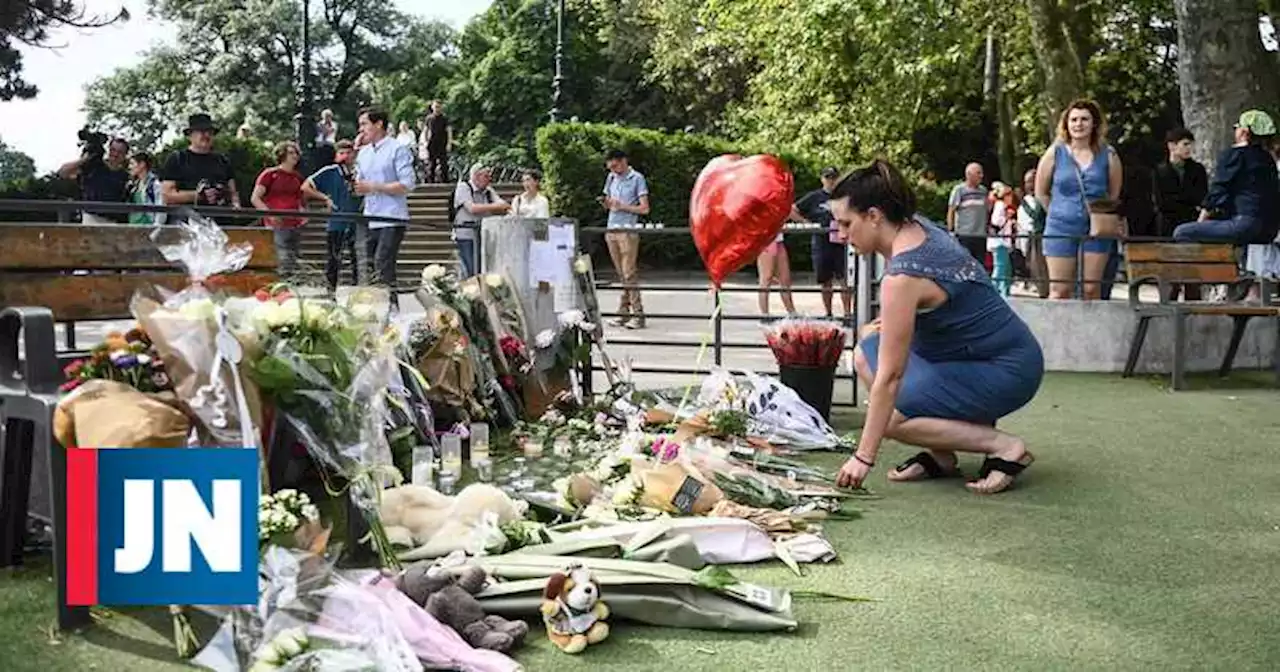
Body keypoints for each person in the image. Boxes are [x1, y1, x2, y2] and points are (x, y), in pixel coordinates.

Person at [830, 160, 1043, 496]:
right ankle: (942, 456)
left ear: (873, 216)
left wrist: (863, 457)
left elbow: (891, 377)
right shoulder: (917, 227)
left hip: (1006, 370)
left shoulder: (902, 276)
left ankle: (1004, 446)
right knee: (865, 352)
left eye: (845, 223)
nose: (840, 235)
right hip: (984, 354)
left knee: (893, 419)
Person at [1035, 99, 1123, 300]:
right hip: (1060, 226)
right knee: (1059, 291)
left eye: (1084, 119)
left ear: (1094, 124)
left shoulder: (1109, 154)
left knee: (1091, 290)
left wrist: (1099, 214)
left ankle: (1090, 331)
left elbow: (1113, 194)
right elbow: (1041, 192)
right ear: (1066, 124)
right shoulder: (1054, 153)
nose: (1078, 124)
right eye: (1073, 119)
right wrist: (1058, 212)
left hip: (1097, 228)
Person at [1173, 110, 1279, 246]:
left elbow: (1218, 190)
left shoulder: (1235, 155)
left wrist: (1201, 220)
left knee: (1182, 232)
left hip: (1244, 225)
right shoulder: (1268, 159)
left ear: (1243, 132)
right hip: (1269, 230)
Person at [355, 105, 417, 308]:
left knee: (383, 263)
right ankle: (378, 308)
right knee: (370, 265)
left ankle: (389, 310)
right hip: (370, 215)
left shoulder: (397, 148)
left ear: (379, 123)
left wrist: (373, 186)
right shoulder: (363, 153)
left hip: (392, 216)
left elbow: (407, 184)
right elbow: (359, 184)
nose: (361, 129)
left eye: (365, 124)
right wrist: (358, 186)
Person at [252, 141, 327, 280]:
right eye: (291, 152)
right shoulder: (269, 174)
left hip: (294, 223)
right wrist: (269, 214)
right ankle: (280, 284)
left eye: (296, 153)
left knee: (293, 256)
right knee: (282, 255)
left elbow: (300, 200)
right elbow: (255, 198)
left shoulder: (297, 177)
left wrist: (304, 213)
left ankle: (291, 285)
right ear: (282, 155)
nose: (295, 156)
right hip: (276, 222)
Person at [793, 167, 852, 321]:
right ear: (822, 179)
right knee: (825, 279)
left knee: (844, 278)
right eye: (828, 177)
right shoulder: (814, 197)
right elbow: (793, 209)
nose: (831, 180)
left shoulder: (844, 196)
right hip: (822, 241)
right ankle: (828, 313)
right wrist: (807, 223)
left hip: (841, 240)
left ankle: (847, 312)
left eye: (833, 177)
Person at [602, 148, 651, 329]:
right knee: (622, 274)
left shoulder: (637, 178)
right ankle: (624, 312)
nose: (613, 170)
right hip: (611, 228)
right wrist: (607, 203)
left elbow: (644, 209)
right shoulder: (611, 178)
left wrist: (622, 206)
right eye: (610, 167)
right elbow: (609, 202)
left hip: (628, 230)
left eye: (615, 166)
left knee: (629, 273)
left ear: (623, 161)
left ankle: (638, 314)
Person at [305, 140, 362, 292]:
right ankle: (330, 291)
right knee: (334, 258)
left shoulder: (361, 171)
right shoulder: (330, 171)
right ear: (336, 156)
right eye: (341, 153)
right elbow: (305, 186)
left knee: (358, 259)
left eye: (348, 153)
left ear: (354, 154)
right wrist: (325, 198)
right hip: (336, 221)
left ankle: (357, 290)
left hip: (358, 220)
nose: (345, 156)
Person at [159, 113, 240, 215]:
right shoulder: (177, 159)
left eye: (209, 132)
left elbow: (233, 194)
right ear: (190, 136)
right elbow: (167, 196)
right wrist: (199, 195)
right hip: (186, 223)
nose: (206, 135)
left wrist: (234, 205)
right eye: (201, 131)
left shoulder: (223, 161)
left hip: (220, 223)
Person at [453, 163, 510, 277]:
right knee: (471, 268)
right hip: (466, 235)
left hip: (485, 235)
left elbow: (503, 204)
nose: (489, 179)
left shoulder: (488, 191)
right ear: (476, 176)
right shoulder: (463, 187)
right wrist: (495, 207)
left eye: (489, 176)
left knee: (483, 268)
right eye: (486, 176)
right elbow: (472, 208)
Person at [59, 136, 129, 223]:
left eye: (120, 152)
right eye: (113, 150)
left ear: (125, 154)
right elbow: (63, 172)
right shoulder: (94, 166)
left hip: (114, 221)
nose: (115, 154)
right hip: (91, 217)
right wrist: (86, 158)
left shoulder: (126, 176)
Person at [947, 162, 991, 265]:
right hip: (964, 235)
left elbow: (986, 210)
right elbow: (951, 211)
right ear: (969, 174)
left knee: (980, 265)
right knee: (964, 264)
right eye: (978, 173)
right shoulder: (959, 190)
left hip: (980, 235)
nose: (981, 176)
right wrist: (951, 230)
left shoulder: (983, 191)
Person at [1016, 168, 1050, 298]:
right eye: (1027, 182)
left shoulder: (1044, 197)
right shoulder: (1025, 201)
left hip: (1045, 234)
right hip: (1032, 236)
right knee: (1034, 265)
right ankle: (1042, 289)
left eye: (1031, 181)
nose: (1028, 185)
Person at [756, 230, 796, 318]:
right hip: (766, 239)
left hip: (778, 239)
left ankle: (792, 312)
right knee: (766, 277)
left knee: (785, 279)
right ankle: (764, 314)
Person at [987, 182, 1016, 297]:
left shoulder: (1002, 206)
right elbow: (996, 222)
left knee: (1005, 267)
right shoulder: (1000, 206)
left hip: (1002, 242)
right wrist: (1007, 217)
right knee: (1000, 266)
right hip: (999, 242)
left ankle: (1004, 290)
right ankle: (995, 289)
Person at [126, 151, 164, 226]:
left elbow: (161, 209)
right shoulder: (134, 184)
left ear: (142, 164)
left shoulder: (154, 185)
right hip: (133, 227)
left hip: (147, 227)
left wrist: (155, 230)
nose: (129, 167)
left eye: (132, 163)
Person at [422, 101, 452, 183]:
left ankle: (445, 182)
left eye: (439, 107)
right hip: (432, 143)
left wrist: (449, 143)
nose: (437, 108)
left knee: (444, 164)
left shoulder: (444, 118)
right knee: (432, 164)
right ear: (432, 107)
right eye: (435, 107)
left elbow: (449, 131)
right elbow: (425, 130)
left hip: (442, 143)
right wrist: (425, 141)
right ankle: (430, 183)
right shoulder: (429, 118)